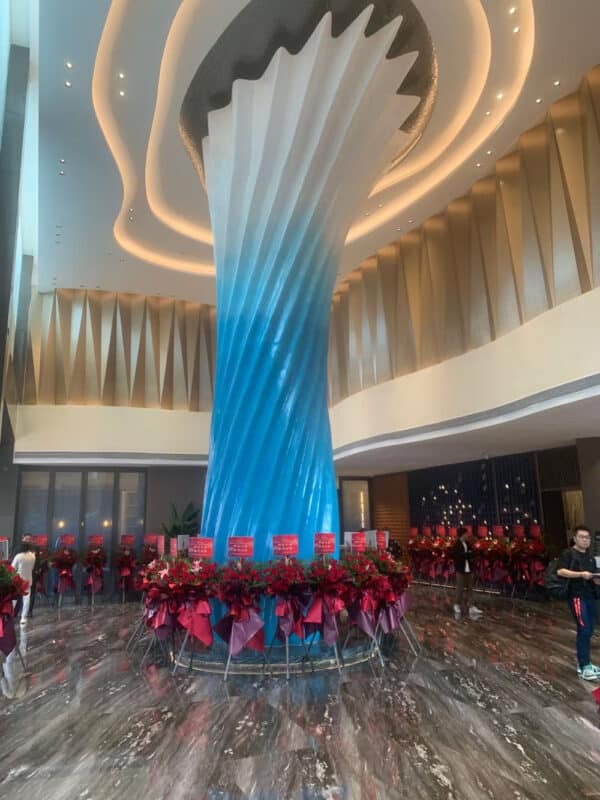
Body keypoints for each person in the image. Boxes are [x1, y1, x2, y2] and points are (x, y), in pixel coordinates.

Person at [557, 524, 600, 680]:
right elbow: (560, 571)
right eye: (582, 537)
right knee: (584, 628)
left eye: (587, 537)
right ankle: (583, 665)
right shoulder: (568, 553)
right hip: (576, 596)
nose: (585, 540)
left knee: (589, 630)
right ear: (575, 538)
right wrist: (581, 574)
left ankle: (586, 664)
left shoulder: (589, 557)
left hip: (590, 596)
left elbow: (592, 577)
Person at [451, 526, 483, 620]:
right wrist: (467, 554)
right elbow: (458, 557)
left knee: (470, 588)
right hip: (460, 570)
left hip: (469, 569)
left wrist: (468, 554)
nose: (467, 535)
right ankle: (457, 604)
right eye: (466, 533)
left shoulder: (467, 543)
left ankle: (471, 606)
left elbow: (472, 553)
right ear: (462, 534)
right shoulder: (456, 545)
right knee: (460, 588)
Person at [11, 540, 36, 625]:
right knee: (26, 599)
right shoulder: (33, 556)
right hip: (28, 580)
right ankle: (23, 618)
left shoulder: (18, 556)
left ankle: (10, 616)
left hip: (18, 580)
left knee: (14, 598)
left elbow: (12, 568)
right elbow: (32, 568)